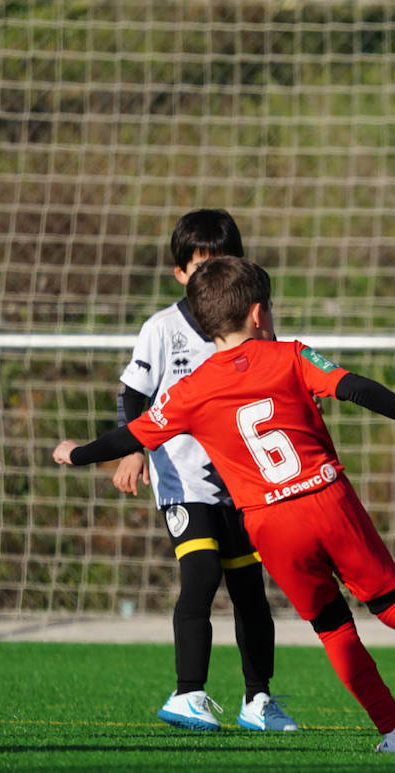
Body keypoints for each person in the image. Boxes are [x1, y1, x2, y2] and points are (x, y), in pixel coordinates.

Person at [54, 256, 395, 754]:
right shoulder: (291, 355)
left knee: (334, 627)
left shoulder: (187, 392)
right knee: (392, 604)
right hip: (327, 498)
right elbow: (357, 387)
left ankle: (394, 729)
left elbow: (126, 435)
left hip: (270, 524)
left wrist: (77, 454)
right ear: (259, 314)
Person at [114, 209, 293, 733]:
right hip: (183, 483)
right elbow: (133, 397)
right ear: (180, 275)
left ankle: (258, 700)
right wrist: (131, 451)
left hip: (244, 483)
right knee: (200, 576)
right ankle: (187, 693)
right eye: (198, 268)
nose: (209, 278)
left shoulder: (250, 330)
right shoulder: (162, 330)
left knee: (251, 592)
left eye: (220, 265)